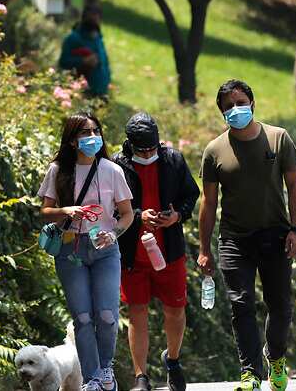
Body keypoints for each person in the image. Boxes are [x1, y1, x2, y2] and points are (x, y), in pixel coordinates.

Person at [197, 79, 296, 391]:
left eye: (240, 102)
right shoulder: (214, 150)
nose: (235, 109)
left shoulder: (278, 138)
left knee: (280, 305)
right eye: (228, 106)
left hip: (276, 235)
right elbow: (209, 203)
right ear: (221, 112)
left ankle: (276, 358)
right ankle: (251, 374)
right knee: (241, 304)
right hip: (234, 240)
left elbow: (295, 187)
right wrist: (204, 248)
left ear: (253, 103)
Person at [38, 113, 134, 391]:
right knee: (82, 317)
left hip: (105, 250)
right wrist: (65, 210)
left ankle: (106, 369)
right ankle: (92, 378)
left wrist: (113, 232)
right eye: (84, 133)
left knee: (106, 315)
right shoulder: (58, 171)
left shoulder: (112, 170)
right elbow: (45, 212)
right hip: (70, 249)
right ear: (71, 141)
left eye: (95, 131)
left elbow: (127, 214)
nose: (92, 138)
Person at [112, 113, 200, 391]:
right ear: (130, 145)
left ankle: (172, 360)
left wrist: (177, 216)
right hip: (132, 254)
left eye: (152, 148)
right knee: (137, 311)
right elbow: (108, 206)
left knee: (175, 310)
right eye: (142, 150)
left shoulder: (173, 159)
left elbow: (191, 195)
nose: (149, 153)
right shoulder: (117, 165)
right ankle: (141, 377)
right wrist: (138, 215)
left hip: (169, 251)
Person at [59, 4, 111, 97]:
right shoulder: (73, 38)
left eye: (96, 19)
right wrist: (83, 61)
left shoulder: (98, 39)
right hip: (83, 92)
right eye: (91, 19)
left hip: (101, 91)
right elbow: (63, 62)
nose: (94, 22)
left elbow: (104, 63)